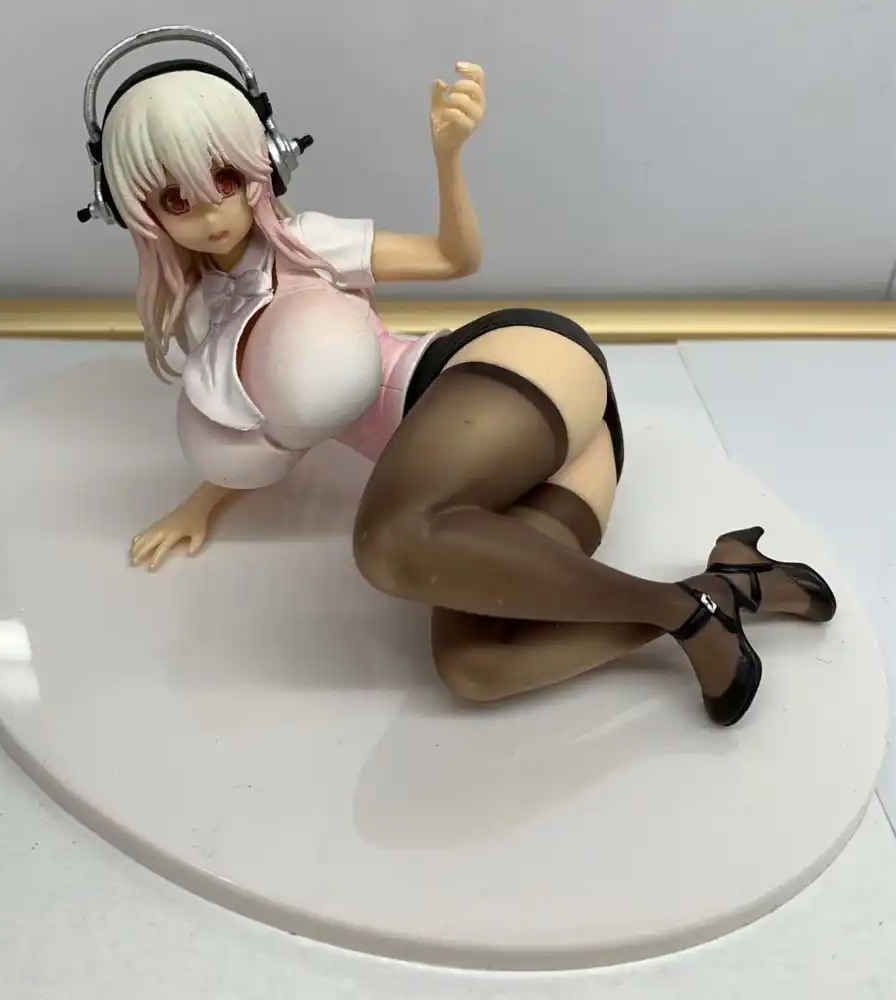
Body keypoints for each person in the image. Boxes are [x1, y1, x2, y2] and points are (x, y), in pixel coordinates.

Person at [96, 51, 835, 727]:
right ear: (134, 210)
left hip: (511, 375)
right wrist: (201, 502)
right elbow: (274, 425)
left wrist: (447, 159)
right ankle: (724, 589)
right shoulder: (208, 315)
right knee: (476, 668)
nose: (211, 213)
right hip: (554, 463)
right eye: (176, 199)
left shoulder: (309, 243)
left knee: (388, 542)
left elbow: (454, 258)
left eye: (224, 181)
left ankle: (688, 618)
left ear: (265, 158)